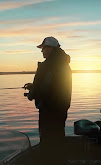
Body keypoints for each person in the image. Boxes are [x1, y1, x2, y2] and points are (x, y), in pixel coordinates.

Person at [24, 36, 72, 165]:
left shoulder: (48, 65)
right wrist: (33, 86)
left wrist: (31, 94)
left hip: (48, 109)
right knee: (58, 136)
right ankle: (60, 160)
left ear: (50, 48)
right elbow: (52, 85)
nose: (42, 51)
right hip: (60, 109)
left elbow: (45, 88)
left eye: (43, 48)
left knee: (47, 139)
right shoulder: (63, 64)